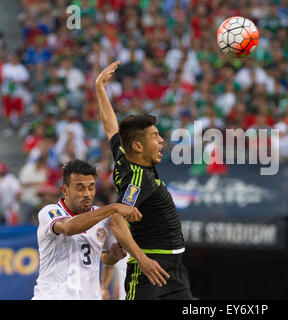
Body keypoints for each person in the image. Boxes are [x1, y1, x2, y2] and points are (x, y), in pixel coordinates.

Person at [95, 60, 193, 300]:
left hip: (174, 269)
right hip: (153, 268)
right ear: (138, 146)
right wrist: (142, 260)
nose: (161, 141)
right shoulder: (138, 180)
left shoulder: (125, 156)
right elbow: (117, 221)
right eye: (155, 136)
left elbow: (111, 129)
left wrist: (100, 87)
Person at [32, 159, 142, 300]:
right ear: (65, 190)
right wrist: (113, 207)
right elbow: (68, 227)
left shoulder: (102, 217)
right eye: (80, 188)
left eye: (91, 187)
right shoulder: (50, 212)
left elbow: (104, 257)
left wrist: (114, 255)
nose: (87, 194)